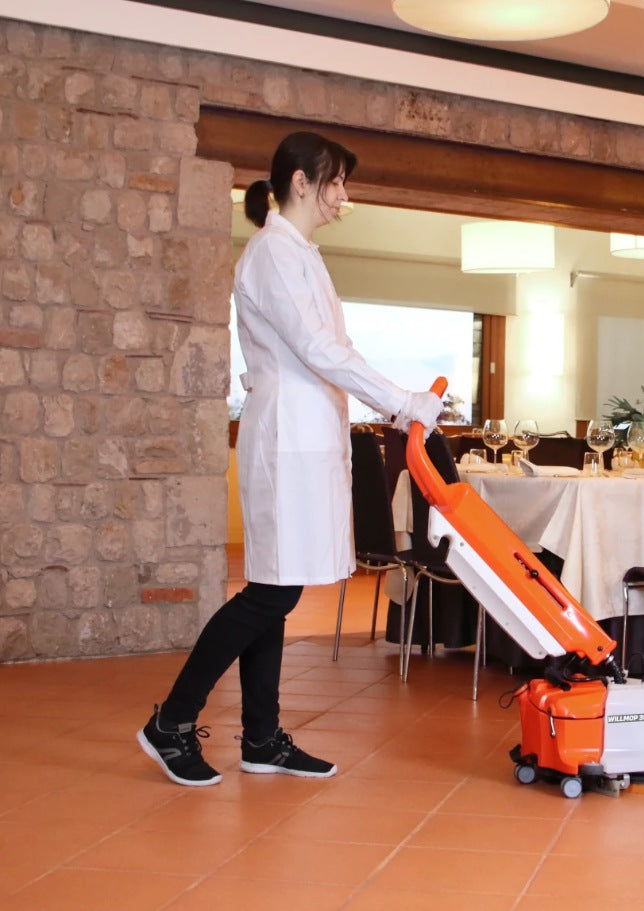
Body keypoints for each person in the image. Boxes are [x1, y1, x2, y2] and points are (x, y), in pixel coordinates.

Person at [137, 131, 443, 786]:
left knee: (278, 587)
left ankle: (261, 736)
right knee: (270, 590)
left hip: (306, 435)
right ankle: (173, 720)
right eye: (337, 183)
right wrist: (402, 401)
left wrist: (399, 401)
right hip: (284, 438)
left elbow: (336, 347)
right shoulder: (274, 252)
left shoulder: (300, 252)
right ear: (301, 182)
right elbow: (319, 350)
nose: (344, 197)